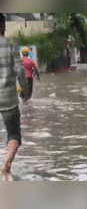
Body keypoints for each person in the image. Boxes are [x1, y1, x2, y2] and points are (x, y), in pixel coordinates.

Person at [0, 13, 29, 181]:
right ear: (3, 26)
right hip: (7, 98)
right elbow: (19, 72)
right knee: (14, 135)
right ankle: (6, 166)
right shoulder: (11, 46)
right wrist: (25, 90)